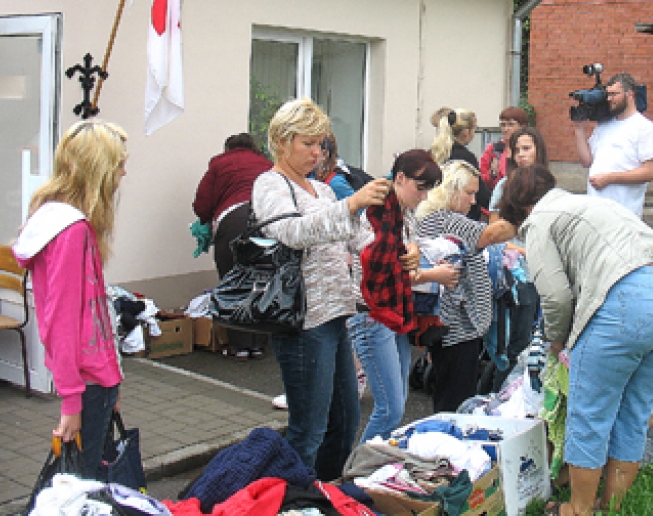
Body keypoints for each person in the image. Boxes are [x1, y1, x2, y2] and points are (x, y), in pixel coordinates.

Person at [498, 165, 653, 516]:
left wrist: (557, 341)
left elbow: (555, 296)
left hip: (627, 302)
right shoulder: (586, 204)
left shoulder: (540, 220)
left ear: (520, 208)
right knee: (633, 412)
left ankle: (578, 509)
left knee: (589, 415)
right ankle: (611, 505)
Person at [252, 98, 390, 479]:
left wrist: (395, 250)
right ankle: (290, 499)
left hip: (334, 315)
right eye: (308, 143)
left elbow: (359, 238)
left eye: (321, 145)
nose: (317, 152)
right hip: (302, 321)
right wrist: (351, 206)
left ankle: (325, 494)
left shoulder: (322, 190)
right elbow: (293, 233)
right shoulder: (269, 185)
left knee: (344, 421)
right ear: (281, 141)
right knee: (308, 430)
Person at [12, 120, 129, 480]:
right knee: (79, 484)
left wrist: (113, 378)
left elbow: (90, 315)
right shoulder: (73, 230)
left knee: (80, 480)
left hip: (96, 380)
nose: (124, 171)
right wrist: (71, 400)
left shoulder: (55, 219)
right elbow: (61, 320)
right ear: (99, 170)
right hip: (88, 383)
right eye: (119, 163)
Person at [348, 149, 460, 442]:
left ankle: (370, 472)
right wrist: (422, 268)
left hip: (393, 313)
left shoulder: (402, 212)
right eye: (420, 188)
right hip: (372, 314)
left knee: (395, 408)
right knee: (390, 411)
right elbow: (373, 264)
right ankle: (357, 473)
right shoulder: (375, 210)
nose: (423, 197)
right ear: (400, 178)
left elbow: (403, 255)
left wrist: (413, 252)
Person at [415, 160, 516, 412]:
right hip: (458, 328)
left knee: (450, 393)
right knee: (456, 402)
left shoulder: (433, 218)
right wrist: (528, 213)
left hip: (452, 327)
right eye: (469, 193)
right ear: (450, 190)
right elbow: (491, 234)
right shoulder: (447, 220)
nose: (473, 201)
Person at [192, 132, 273, 359]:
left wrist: (205, 219)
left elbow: (202, 202)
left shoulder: (220, 163)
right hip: (265, 221)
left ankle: (240, 346)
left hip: (233, 222)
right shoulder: (267, 165)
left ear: (229, 148)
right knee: (261, 281)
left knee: (233, 282)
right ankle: (259, 344)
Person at [487, 126, 549, 388]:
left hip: (542, 272)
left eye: (528, 148)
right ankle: (495, 396)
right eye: (518, 149)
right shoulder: (505, 185)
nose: (522, 155)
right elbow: (494, 234)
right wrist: (522, 251)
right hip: (514, 275)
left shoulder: (546, 185)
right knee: (514, 343)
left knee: (537, 339)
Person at [572, 72, 653, 217]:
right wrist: (579, 129)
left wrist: (610, 178)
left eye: (614, 94)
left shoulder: (644, 127)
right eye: (608, 95)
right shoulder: (603, 125)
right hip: (595, 212)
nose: (609, 99)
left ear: (630, 95)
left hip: (625, 214)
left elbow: (650, 172)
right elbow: (586, 161)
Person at [429, 107, 491, 221]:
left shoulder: (433, 153)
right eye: (474, 129)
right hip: (462, 216)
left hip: (436, 213)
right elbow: (481, 193)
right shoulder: (466, 157)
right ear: (466, 132)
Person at [479, 106, 528, 193]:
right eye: (503, 125)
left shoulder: (528, 149)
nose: (506, 129)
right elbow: (481, 179)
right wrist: (491, 174)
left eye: (511, 124)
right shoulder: (493, 149)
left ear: (522, 126)